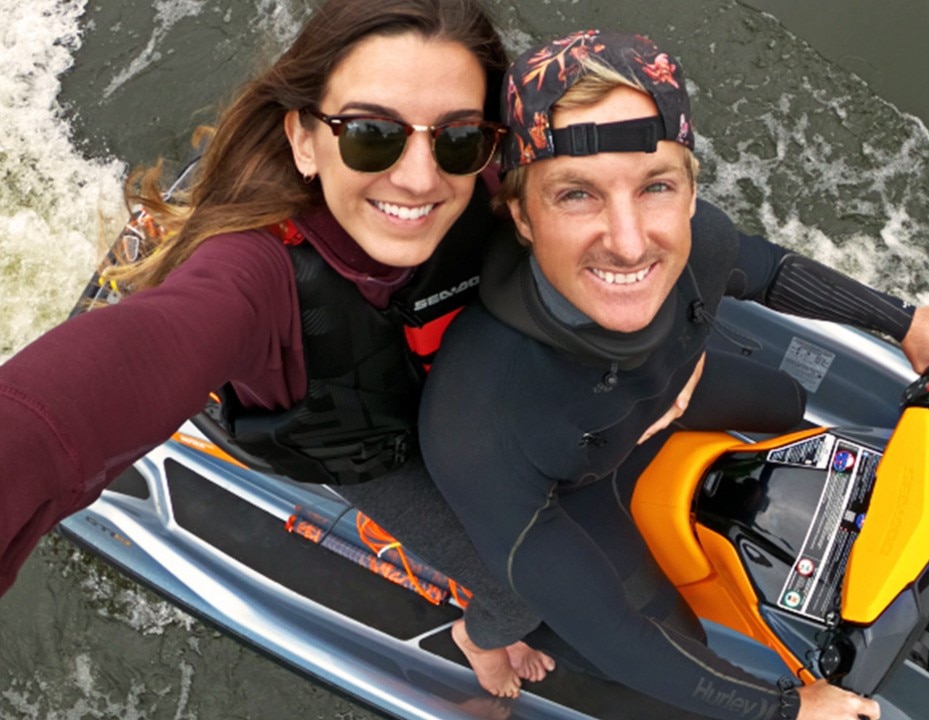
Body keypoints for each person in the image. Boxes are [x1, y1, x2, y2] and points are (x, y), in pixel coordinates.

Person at [0, 0, 556, 698]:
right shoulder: (254, 276)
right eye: (371, 133)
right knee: (529, 583)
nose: (420, 177)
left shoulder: (492, 177)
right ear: (302, 141)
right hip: (366, 446)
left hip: (451, 379)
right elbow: (72, 401)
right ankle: (477, 638)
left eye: (457, 137)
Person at [418, 30, 929, 720]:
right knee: (649, 644)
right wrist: (789, 708)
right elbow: (616, 635)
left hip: (659, 400)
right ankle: (479, 634)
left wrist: (904, 321)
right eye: (576, 195)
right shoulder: (478, 421)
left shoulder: (700, 237)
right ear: (522, 216)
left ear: (688, 191)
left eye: (655, 186)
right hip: (569, 481)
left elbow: (767, 270)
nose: (627, 241)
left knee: (789, 402)